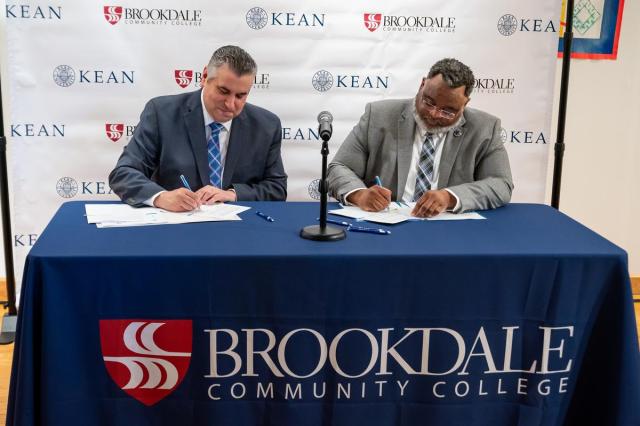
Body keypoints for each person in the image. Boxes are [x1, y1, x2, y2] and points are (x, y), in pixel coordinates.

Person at [327, 58, 512, 218]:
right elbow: (340, 168)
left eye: (448, 111)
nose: (434, 114)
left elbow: (501, 184)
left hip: (449, 230)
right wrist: (360, 195)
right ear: (422, 85)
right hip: (386, 225)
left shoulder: (485, 128)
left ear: (465, 104)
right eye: (428, 101)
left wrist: (449, 197)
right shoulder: (378, 115)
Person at [109, 45, 287, 212]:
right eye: (223, 91)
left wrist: (233, 194)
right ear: (204, 77)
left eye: (241, 95)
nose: (230, 104)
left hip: (239, 231)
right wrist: (161, 197)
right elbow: (124, 173)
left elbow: (277, 188)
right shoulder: (162, 113)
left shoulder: (266, 126)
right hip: (174, 228)